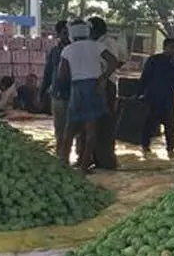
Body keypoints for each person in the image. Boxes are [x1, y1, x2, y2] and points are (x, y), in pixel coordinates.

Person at [58, 20, 120, 171]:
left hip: (77, 87)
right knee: (91, 130)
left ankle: (63, 163)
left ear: (72, 33)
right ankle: (84, 167)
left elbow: (62, 75)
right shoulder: (97, 46)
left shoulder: (67, 49)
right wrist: (103, 77)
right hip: (94, 87)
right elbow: (113, 62)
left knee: (69, 129)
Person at [138, 37, 174, 157]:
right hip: (153, 95)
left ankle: (170, 149)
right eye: (171, 47)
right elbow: (145, 77)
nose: (173, 50)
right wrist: (139, 93)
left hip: (169, 97)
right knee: (150, 122)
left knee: (170, 123)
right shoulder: (154, 60)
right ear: (164, 47)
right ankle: (145, 146)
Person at [89, 16, 125, 170]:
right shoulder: (107, 42)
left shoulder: (106, 43)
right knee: (99, 123)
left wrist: (103, 77)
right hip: (105, 83)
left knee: (104, 124)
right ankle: (99, 158)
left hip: (105, 85)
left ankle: (106, 160)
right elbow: (122, 59)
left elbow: (115, 62)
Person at [42, 20, 71, 156]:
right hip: (58, 95)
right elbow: (48, 73)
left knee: (76, 128)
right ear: (58, 34)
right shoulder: (54, 51)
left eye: (69, 32)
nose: (67, 35)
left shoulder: (75, 50)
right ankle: (61, 156)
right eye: (64, 33)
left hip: (74, 94)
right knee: (59, 128)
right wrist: (42, 91)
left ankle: (78, 156)